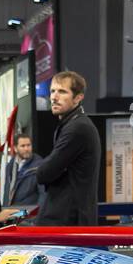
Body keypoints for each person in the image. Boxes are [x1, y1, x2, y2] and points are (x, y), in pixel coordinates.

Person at [35, 71, 101, 225]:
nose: (54, 97)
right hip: (68, 217)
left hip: (69, 221)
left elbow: (43, 173)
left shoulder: (77, 128)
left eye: (62, 91)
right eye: (52, 91)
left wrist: (44, 169)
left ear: (78, 98)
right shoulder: (73, 125)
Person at [2, 132, 42, 205]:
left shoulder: (39, 165)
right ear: (15, 148)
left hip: (30, 211)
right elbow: (7, 191)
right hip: (13, 211)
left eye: (28, 145)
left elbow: (43, 193)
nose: (26, 149)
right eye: (23, 146)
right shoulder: (11, 165)